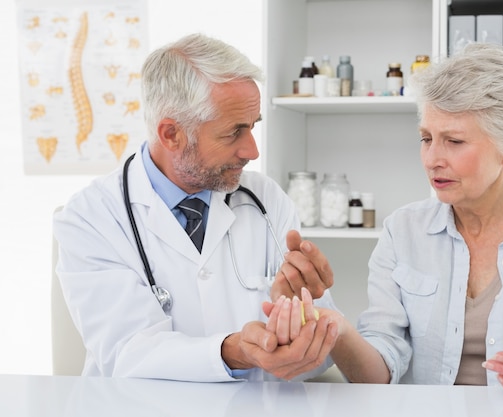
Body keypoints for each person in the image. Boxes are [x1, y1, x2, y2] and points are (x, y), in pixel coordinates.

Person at [267, 43, 503, 417]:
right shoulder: (403, 231)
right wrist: (334, 327)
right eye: (426, 138)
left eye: (453, 141)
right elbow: (378, 375)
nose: (432, 159)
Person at [53, 33, 339, 382]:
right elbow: (126, 354)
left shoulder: (267, 199)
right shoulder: (90, 217)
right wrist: (232, 351)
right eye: (234, 132)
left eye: (253, 127)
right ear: (171, 134)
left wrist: (300, 320)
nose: (252, 151)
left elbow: (319, 351)